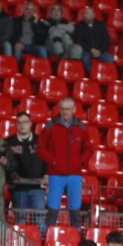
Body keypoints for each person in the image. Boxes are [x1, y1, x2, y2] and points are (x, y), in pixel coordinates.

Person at [40, 97, 89, 230]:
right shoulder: (50, 127)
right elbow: (40, 148)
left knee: (75, 211)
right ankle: (48, 241)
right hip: (55, 174)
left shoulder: (81, 128)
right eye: (62, 109)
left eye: (68, 109)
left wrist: (81, 162)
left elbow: (89, 149)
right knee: (52, 211)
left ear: (74, 110)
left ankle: (76, 240)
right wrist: (53, 161)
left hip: (75, 175)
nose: (65, 112)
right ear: (59, 109)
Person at [4, 112, 46, 225]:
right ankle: (19, 243)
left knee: (39, 220)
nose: (23, 125)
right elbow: (5, 164)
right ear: (16, 125)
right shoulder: (9, 142)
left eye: (25, 122)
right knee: (20, 219)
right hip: (18, 188)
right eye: (20, 122)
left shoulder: (40, 141)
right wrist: (11, 176)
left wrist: (46, 174)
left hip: (37, 187)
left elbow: (46, 159)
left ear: (30, 124)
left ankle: (39, 242)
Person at [73, 6, 113, 74]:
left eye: (87, 14)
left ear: (93, 15)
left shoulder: (101, 25)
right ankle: (93, 73)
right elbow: (79, 41)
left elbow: (106, 40)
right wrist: (90, 49)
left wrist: (100, 51)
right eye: (85, 14)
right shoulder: (79, 26)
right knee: (85, 58)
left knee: (110, 59)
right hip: (86, 50)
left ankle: (104, 74)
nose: (85, 16)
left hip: (99, 50)